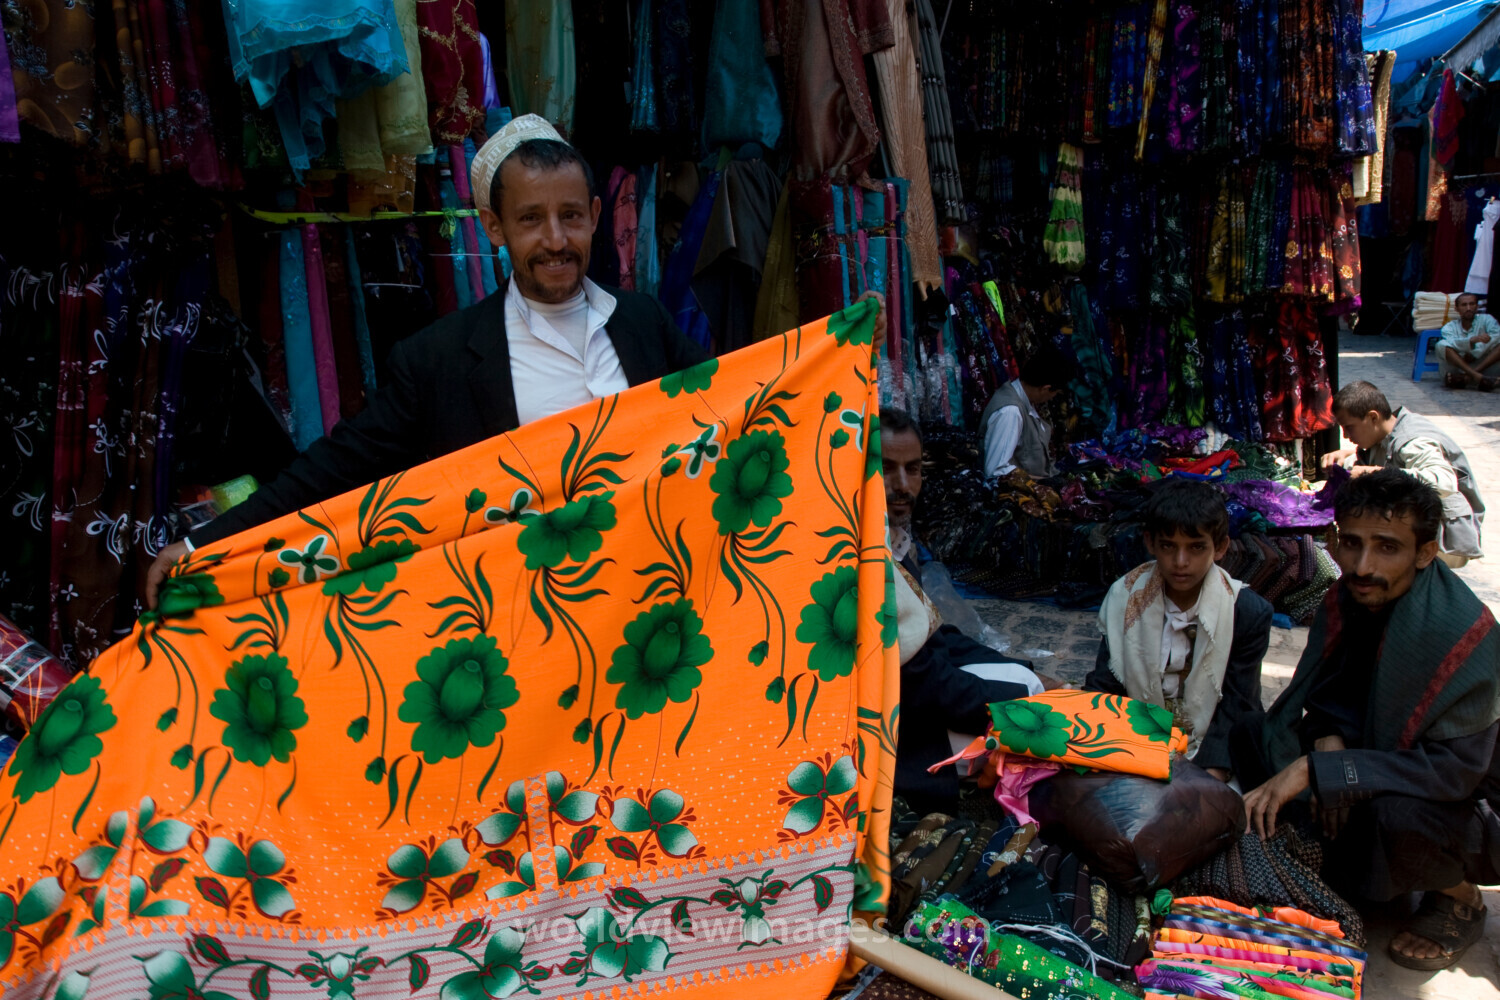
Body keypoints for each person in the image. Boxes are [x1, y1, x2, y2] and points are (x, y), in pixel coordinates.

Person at [148, 114, 881, 605]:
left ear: (597, 215)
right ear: (495, 227)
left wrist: (841, 387)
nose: (555, 239)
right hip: (520, 627)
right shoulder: (436, 360)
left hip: (654, 606)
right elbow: (334, 469)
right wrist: (201, 544)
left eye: (570, 216)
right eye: (531, 220)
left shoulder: (646, 326)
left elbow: (743, 411)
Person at [1236, 470, 1500, 972]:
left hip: (1468, 805)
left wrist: (1326, 772)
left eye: (1387, 548)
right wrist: (1328, 738)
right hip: (1381, 758)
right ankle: (1362, 869)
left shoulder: (1460, 633)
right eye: (1352, 543)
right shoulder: (1349, 599)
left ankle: (1459, 896)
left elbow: (1452, 773)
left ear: (1424, 553)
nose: (1362, 565)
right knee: (1256, 734)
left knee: (1394, 816)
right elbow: (1329, 696)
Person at [882, 408, 1051, 812]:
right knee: (1037, 731)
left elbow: (936, 636)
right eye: (885, 470)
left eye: (913, 469)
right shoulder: (862, 557)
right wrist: (1018, 701)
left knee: (1026, 683)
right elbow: (922, 683)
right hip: (894, 734)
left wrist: (1024, 669)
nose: (903, 486)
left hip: (920, 694)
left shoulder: (894, 539)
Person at [1084, 479, 1272, 781]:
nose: (1180, 562)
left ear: (1220, 547)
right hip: (1138, 738)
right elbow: (1108, 683)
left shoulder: (1246, 611)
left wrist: (1208, 775)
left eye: (1196, 548)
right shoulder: (1124, 598)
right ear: (1150, 543)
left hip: (1215, 747)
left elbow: (1239, 704)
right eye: (1169, 546)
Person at [1320, 380, 1484, 567]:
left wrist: (1376, 473)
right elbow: (1384, 458)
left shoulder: (1413, 442)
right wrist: (1346, 459)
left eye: (1349, 427)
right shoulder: (1384, 432)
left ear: (1373, 417)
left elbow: (1445, 482)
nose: (1346, 436)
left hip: (1446, 537)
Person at [980, 346, 1074, 479]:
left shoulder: (1023, 398)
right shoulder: (1010, 412)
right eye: (1055, 393)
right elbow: (996, 470)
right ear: (1046, 388)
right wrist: (1044, 483)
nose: (1053, 398)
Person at [1436, 292, 1500, 390]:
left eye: (1472, 304)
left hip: (1484, 367)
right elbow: (1452, 343)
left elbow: (1496, 336)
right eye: (1464, 305)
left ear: (1477, 306)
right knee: (1441, 345)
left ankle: (1469, 377)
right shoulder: (1449, 327)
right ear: (1456, 309)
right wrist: (1470, 341)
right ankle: (1479, 378)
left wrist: (1475, 353)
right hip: (1459, 368)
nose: (1468, 308)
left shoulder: (1487, 319)